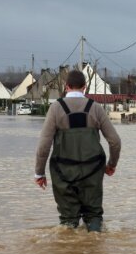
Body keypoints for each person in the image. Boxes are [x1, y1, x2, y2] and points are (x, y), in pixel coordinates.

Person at [35, 69, 121, 232]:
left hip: (63, 173)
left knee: (68, 220)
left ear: (66, 87)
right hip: (93, 172)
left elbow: (44, 145)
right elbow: (115, 141)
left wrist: (39, 173)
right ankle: (94, 251)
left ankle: (70, 252)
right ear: (85, 87)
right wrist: (111, 165)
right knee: (94, 215)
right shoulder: (96, 108)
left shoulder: (55, 109)